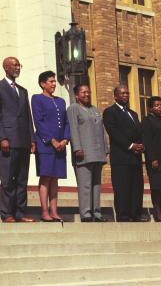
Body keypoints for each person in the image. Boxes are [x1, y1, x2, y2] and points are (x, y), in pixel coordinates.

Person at [0, 56, 36, 223]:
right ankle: (7, 213)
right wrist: (1, 138)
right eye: (14, 65)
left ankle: (20, 213)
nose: (18, 68)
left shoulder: (23, 90)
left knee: (22, 180)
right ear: (6, 67)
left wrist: (32, 138)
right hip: (7, 141)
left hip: (23, 140)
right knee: (7, 180)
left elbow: (28, 116)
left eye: (19, 65)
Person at [103, 85, 148, 222]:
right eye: (122, 93)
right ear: (115, 96)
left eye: (127, 93)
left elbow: (139, 131)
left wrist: (141, 145)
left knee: (136, 187)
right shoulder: (110, 112)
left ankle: (136, 214)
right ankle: (123, 215)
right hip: (121, 156)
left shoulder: (133, 114)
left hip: (135, 157)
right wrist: (130, 145)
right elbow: (113, 132)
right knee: (122, 187)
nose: (125, 95)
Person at [31, 71, 70, 222]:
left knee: (55, 178)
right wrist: (51, 140)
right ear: (43, 84)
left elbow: (66, 122)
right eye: (51, 81)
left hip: (61, 144)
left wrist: (65, 139)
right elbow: (38, 121)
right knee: (46, 177)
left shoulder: (60, 101)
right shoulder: (37, 99)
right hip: (45, 144)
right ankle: (44, 211)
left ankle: (54, 211)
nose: (54, 84)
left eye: (54, 81)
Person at [68, 84, 108, 222]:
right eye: (83, 92)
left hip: (97, 152)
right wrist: (77, 148)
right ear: (77, 95)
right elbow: (73, 129)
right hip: (83, 153)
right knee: (85, 185)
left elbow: (102, 130)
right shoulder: (73, 108)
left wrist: (105, 149)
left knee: (96, 185)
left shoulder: (95, 109)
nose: (86, 94)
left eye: (88, 92)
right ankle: (86, 213)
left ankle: (96, 212)